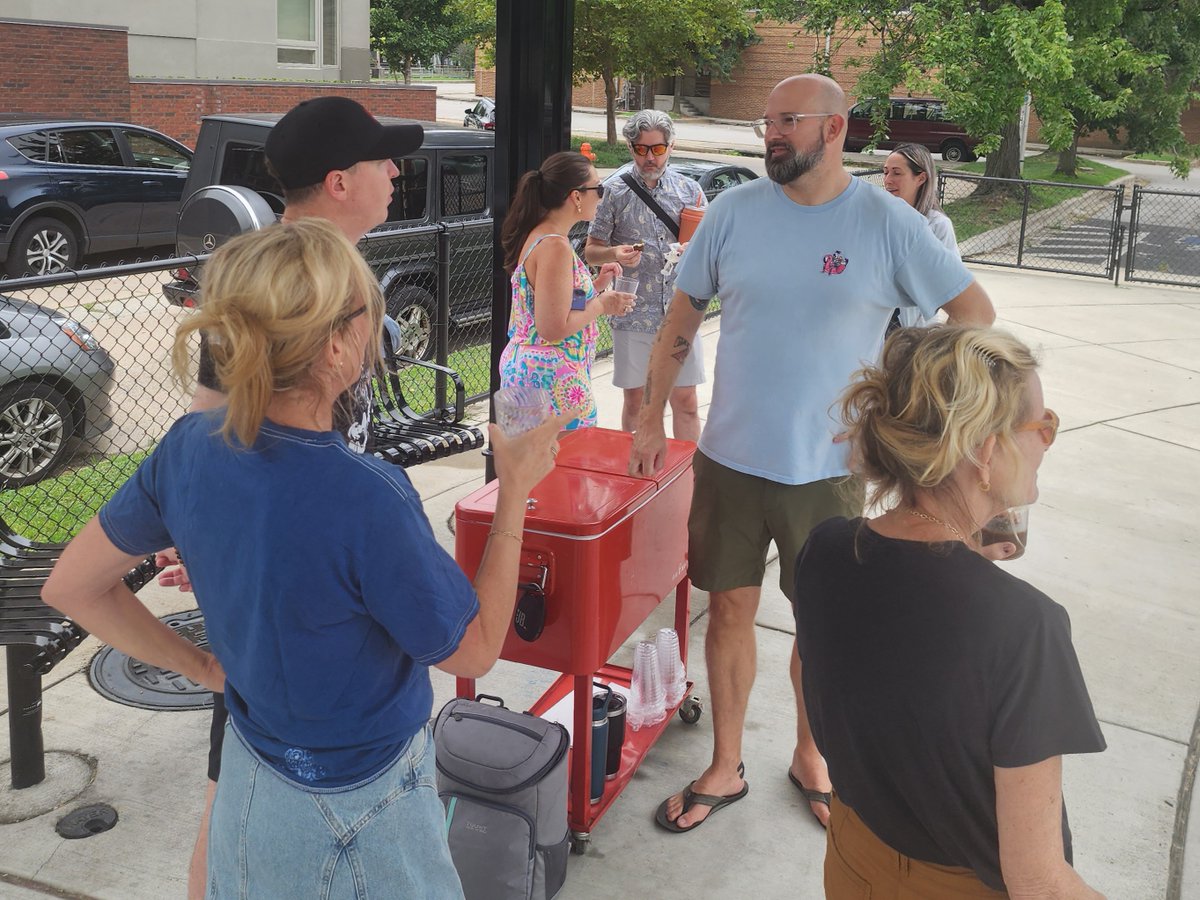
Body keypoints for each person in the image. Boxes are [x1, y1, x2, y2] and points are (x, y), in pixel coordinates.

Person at [43, 219, 566, 898]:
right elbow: (473, 651)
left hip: (253, 772)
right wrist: (514, 494)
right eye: (366, 314)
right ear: (334, 346)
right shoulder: (366, 497)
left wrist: (203, 667)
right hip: (370, 792)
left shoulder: (189, 446)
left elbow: (74, 586)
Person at [630, 73, 996, 834]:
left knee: (820, 624)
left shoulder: (887, 222)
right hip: (730, 457)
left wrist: (917, 415)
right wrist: (649, 418)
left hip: (830, 473)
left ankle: (810, 757)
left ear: (835, 129)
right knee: (728, 608)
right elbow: (681, 318)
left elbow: (973, 314)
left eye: (787, 121)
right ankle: (725, 765)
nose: (771, 134)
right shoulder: (732, 213)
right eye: (767, 121)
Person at [159, 95, 419, 899]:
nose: (395, 172)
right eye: (382, 161)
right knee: (230, 793)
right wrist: (205, 531)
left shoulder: (341, 269)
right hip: (283, 587)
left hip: (343, 565)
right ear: (340, 182)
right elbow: (211, 415)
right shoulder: (271, 277)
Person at [796, 324, 1106, 898]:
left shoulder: (827, 550)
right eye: (1043, 426)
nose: (1047, 442)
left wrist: (962, 554)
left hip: (852, 858)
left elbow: (842, 666)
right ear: (987, 453)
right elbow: (1038, 879)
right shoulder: (1024, 627)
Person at [585, 110, 708, 441]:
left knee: (686, 401)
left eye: (657, 148)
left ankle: (684, 480)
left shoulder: (690, 190)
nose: (650, 157)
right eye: (641, 149)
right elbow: (591, 250)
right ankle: (640, 478)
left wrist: (690, 252)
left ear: (671, 146)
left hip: (680, 312)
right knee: (637, 401)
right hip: (633, 312)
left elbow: (710, 250)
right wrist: (614, 253)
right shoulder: (614, 192)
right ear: (630, 147)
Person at [499, 151, 635, 430]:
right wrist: (603, 304)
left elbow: (554, 304)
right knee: (566, 468)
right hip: (551, 378)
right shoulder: (555, 247)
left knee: (529, 469)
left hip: (529, 372)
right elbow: (552, 327)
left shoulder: (542, 236)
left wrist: (596, 286)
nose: (601, 196)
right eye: (598, 189)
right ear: (575, 196)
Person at [883, 142, 959, 328]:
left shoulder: (938, 226)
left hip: (911, 334)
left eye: (897, 173)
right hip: (873, 333)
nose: (888, 180)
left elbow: (955, 291)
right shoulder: (878, 220)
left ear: (921, 178)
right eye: (885, 172)